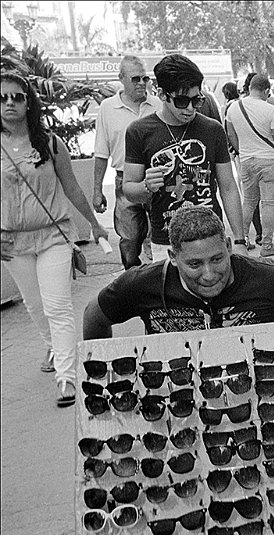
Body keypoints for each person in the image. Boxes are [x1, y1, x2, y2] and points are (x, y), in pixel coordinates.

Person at [82, 205, 274, 384]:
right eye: (194, 264)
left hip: (254, 391)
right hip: (174, 395)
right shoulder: (141, 283)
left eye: (217, 259)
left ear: (229, 247)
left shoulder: (269, 275)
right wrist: (102, 378)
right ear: (173, 257)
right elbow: (95, 316)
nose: (209, 274)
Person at [1, 72, 109, 406]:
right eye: (2, 97)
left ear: (28, 101)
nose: (9, 103)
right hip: (12, 243)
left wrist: (96, 225)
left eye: (17, 97)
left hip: (54, 236)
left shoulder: (49, 143)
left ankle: (67, 377)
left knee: (58, 305)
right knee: (35, 305)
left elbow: (72, 188)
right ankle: (52, 346)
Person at [123, 54, 247, 264]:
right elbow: (129, 190)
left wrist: (240, 240)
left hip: (212, 240)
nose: (190, 108)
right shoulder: (139, 131)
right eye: (181, 101)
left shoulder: (212, 129)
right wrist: (146, 186)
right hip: (166, 244)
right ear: (161, 94)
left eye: (197, 100)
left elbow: (228, 186)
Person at [92, 55, 161, 270]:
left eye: (145, 78)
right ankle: (132, 279)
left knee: (161, 236)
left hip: (156, 178)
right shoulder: (107, 109)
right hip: (124, 182)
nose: (142, 84)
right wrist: (97, 190)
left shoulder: (157, 105)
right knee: (130, 239)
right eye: (135, 79)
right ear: (121, 78)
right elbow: (101, 153)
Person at [225, 73, 274, 258]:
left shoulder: (233, 108)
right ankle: (267, 245)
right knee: (268, 203)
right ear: (267, 90)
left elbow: (231, 135)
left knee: (249, 202)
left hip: (246, 160)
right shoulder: (271, 109)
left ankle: (242, 240)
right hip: (268, 160)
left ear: (250, 87)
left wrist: (242, 150)